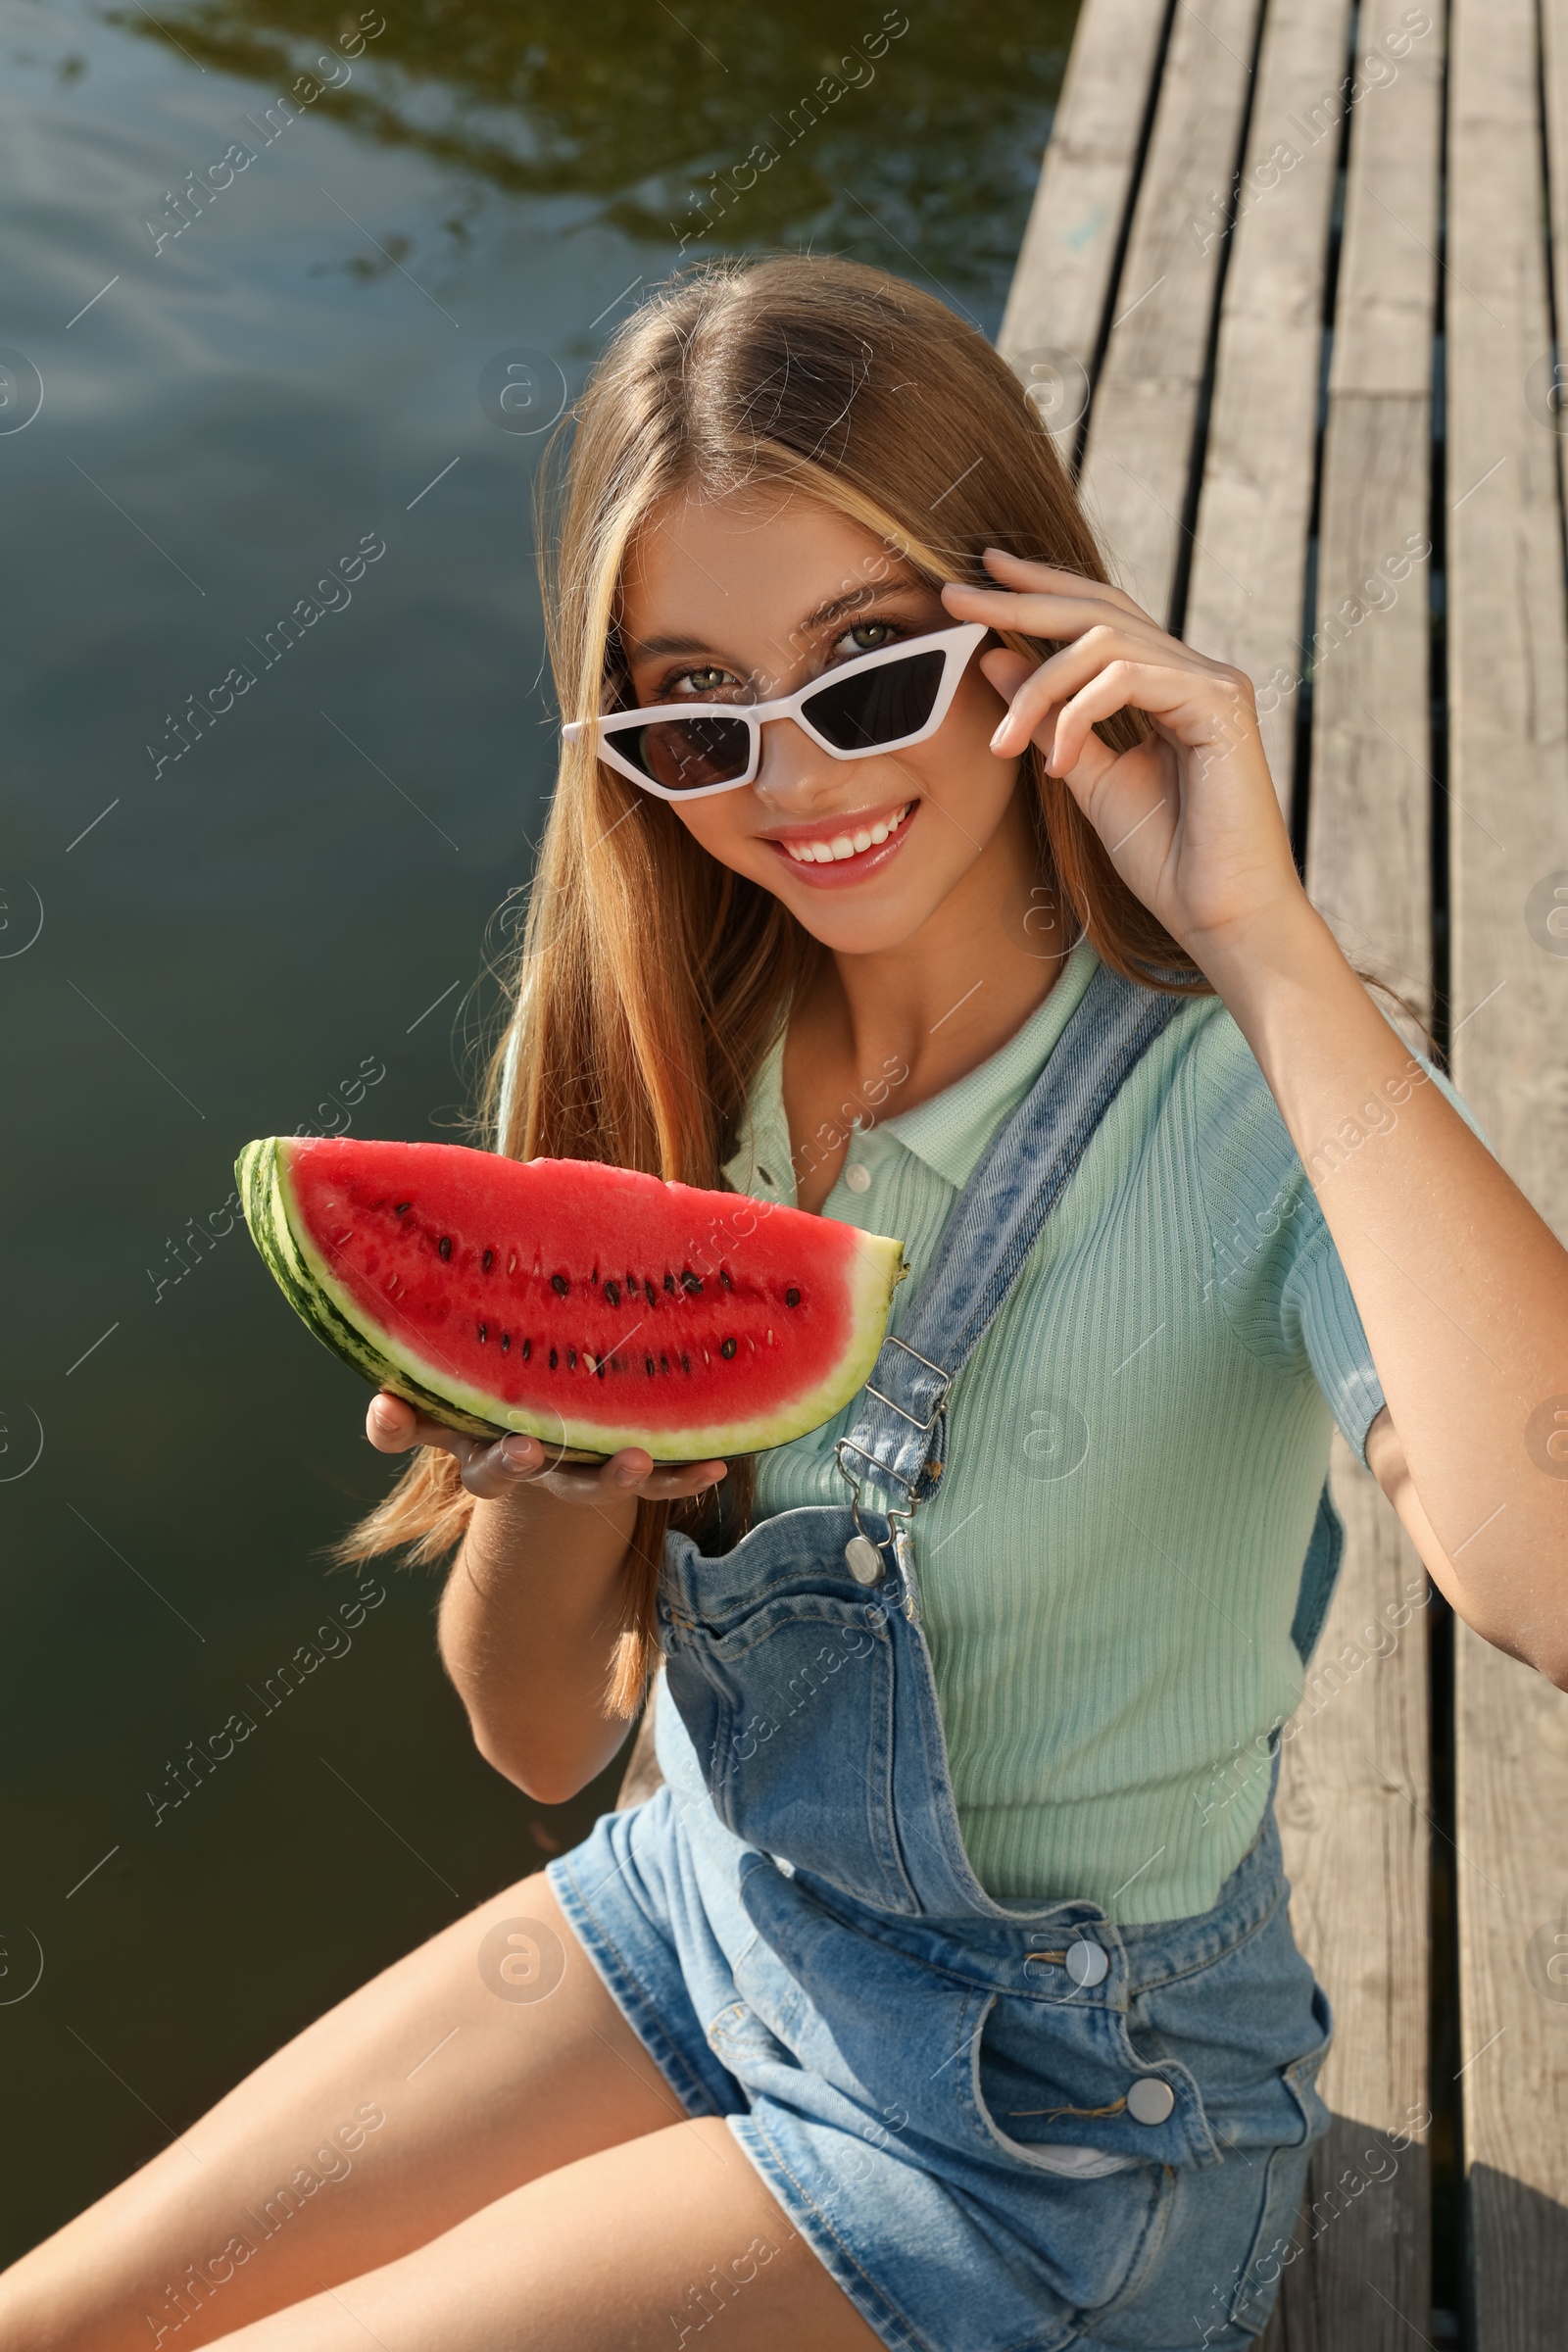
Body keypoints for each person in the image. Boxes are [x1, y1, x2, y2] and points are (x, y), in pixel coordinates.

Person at [5, 254, 1564, 2352]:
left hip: (1053, 2130)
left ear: (1031, 637)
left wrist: (1259, 938)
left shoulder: (1260, 1098)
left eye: (865, 671)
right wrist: (557, 1477)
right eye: (691, 710)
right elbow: (542, 1734)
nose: (795, 782)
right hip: (705, 1916)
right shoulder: (672, 1058)